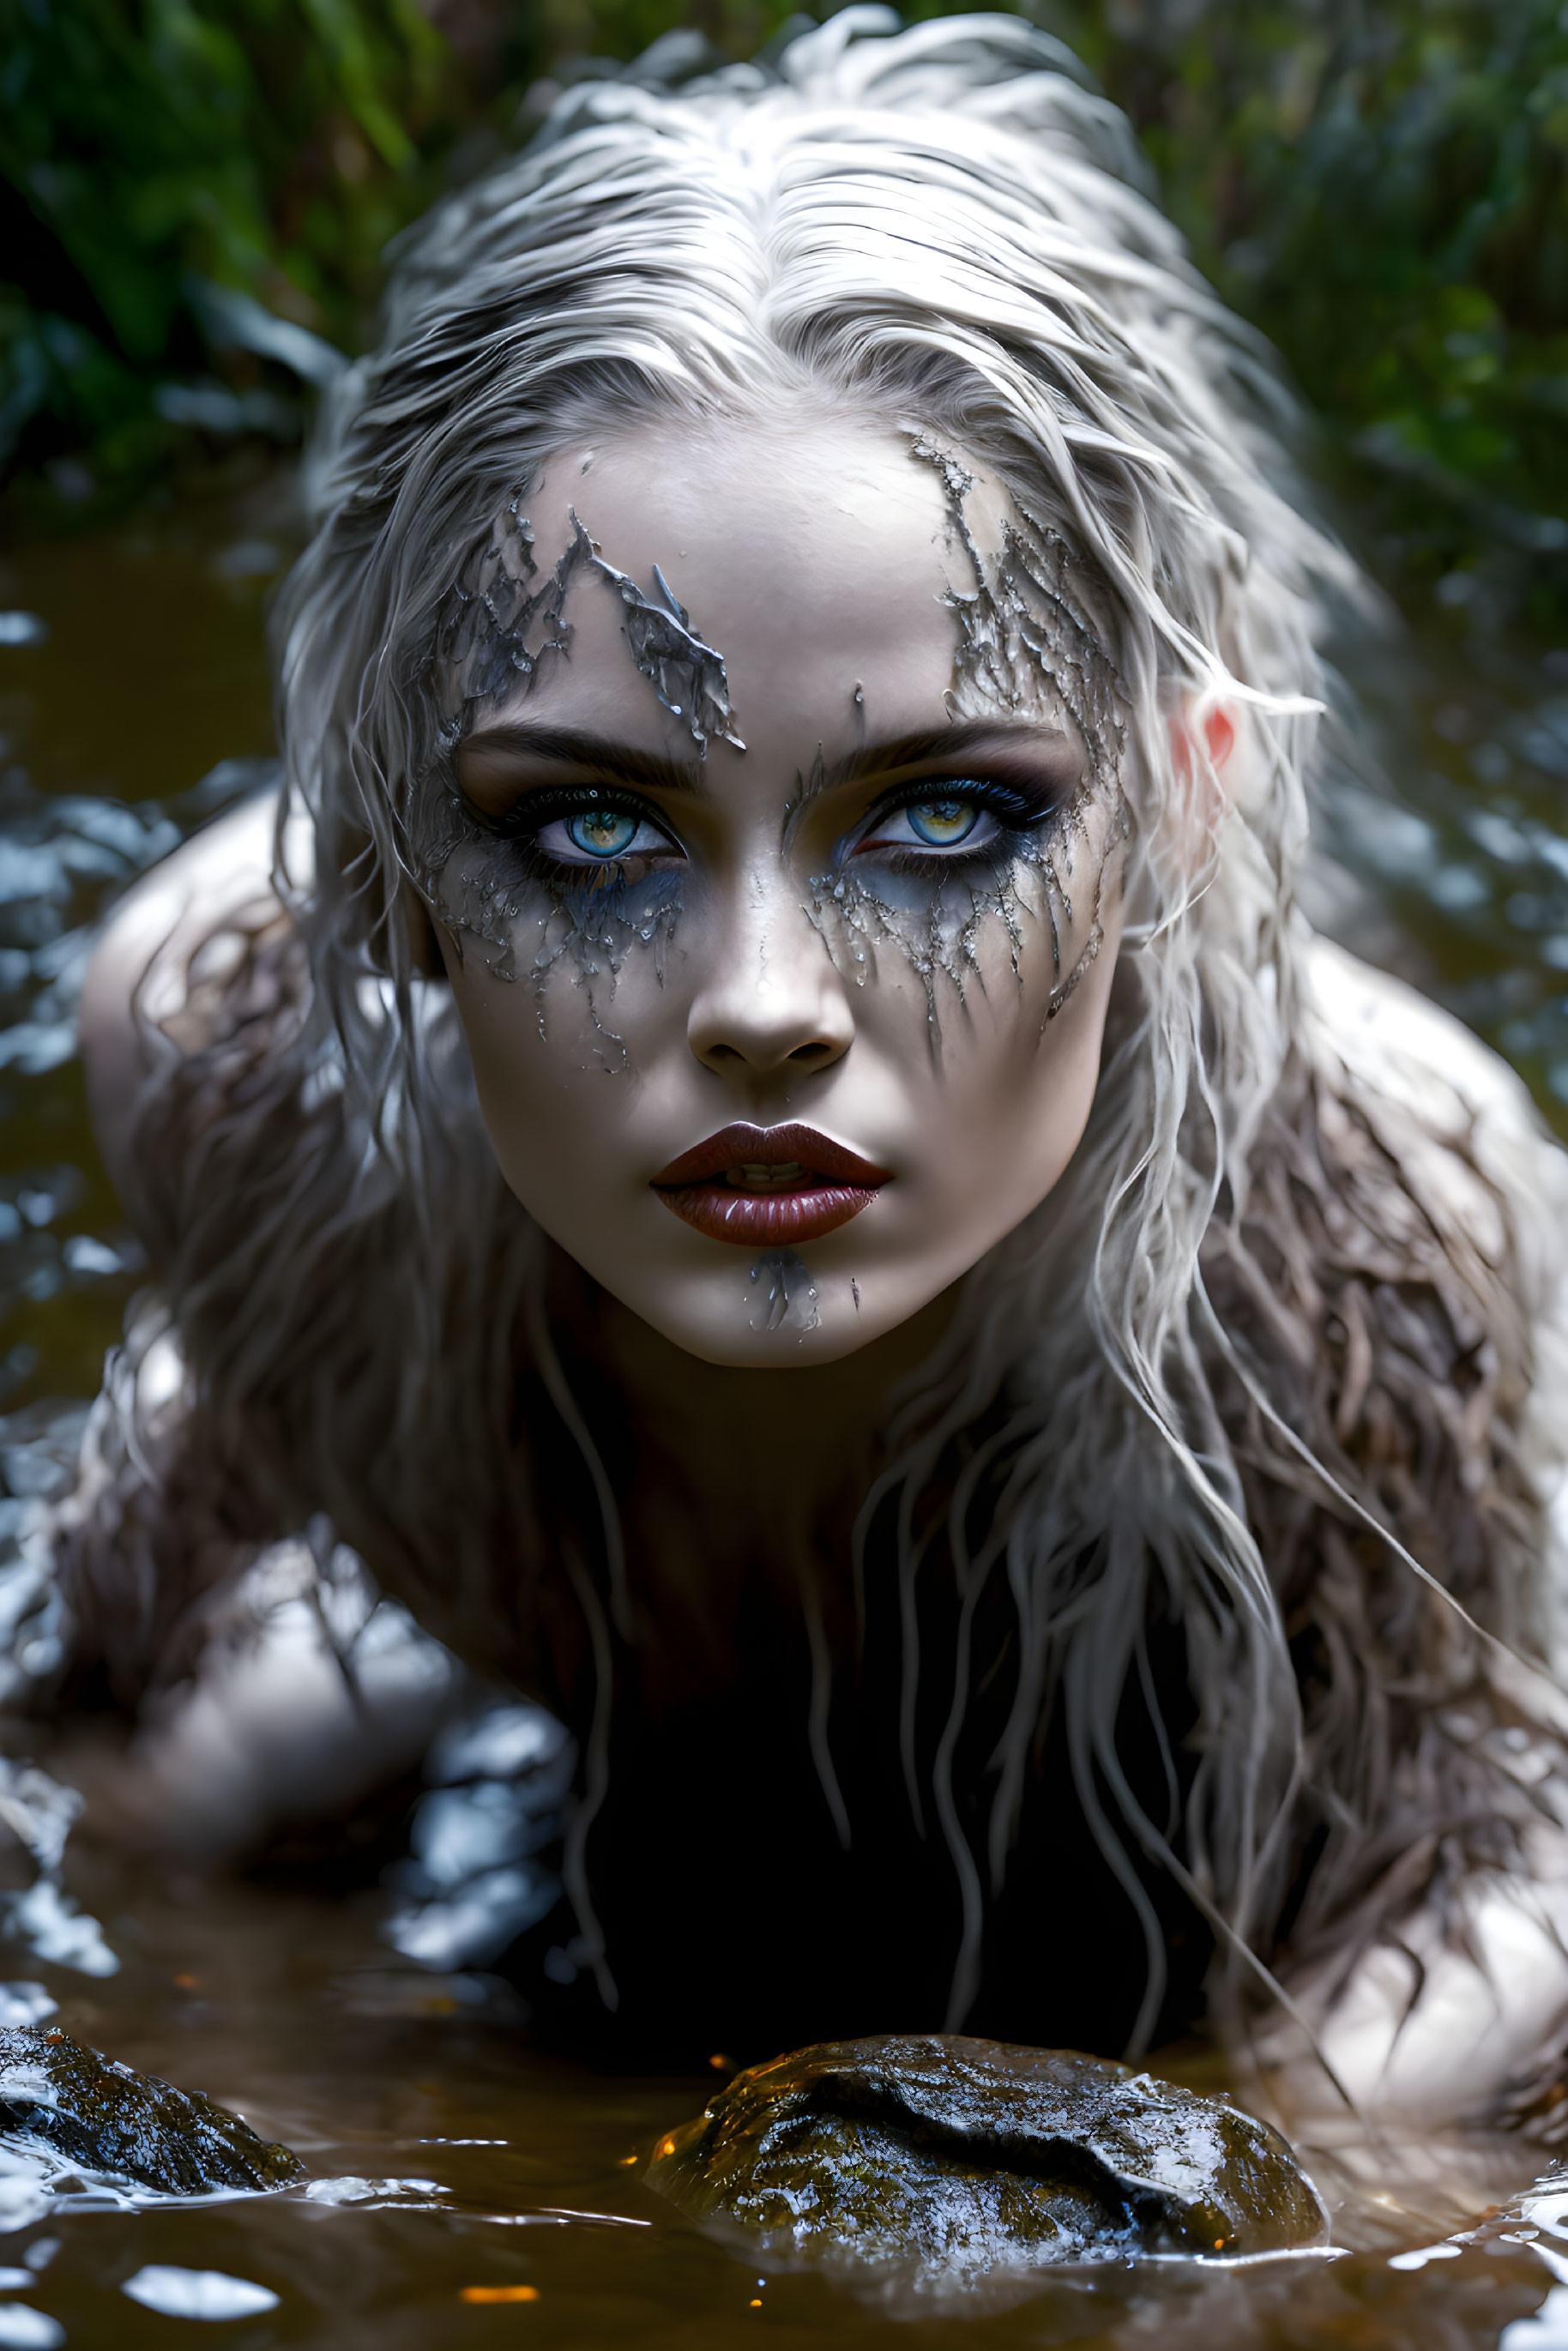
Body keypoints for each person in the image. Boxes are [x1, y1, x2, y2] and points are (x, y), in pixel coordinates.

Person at [45, 9, 1568, 2126]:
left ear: (1182, 815)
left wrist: (1268, 2194)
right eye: (587, 828)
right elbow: (98, 1757)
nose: (763, 1003)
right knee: (233, 1764)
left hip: (1155, 1657)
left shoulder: (1388, 1214)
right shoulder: (223, 1051)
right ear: (382, 851)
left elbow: (1501, 1870)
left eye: (942, 817)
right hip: (466, 1512)